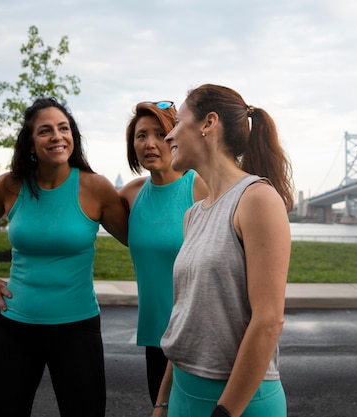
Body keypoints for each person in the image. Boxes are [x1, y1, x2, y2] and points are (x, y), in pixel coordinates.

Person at [0, 97, 128, 417]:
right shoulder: (9, 186)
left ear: (73, 137)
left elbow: (136, 240)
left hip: (77, 328)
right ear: (29, 143)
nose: (57, 136)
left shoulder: (95, 187)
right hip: (13, 326)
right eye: (45, 131)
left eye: (63, 128)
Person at [152, 84, 294, 417]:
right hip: (183, 397)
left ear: (208, 123)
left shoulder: (257, 199)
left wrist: (225, 412)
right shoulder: (193, 214)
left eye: (177, 123)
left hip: (240, 404)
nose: (168, 136)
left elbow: (269, 321)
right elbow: (186, 318)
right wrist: (162, 401)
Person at [118, 101, 208, 405]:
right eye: (141, 135)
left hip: (199, 337)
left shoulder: (199, 188)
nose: (150, 143)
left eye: (160, 133)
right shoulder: (130, 195)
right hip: (155, 338)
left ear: (177, 136)